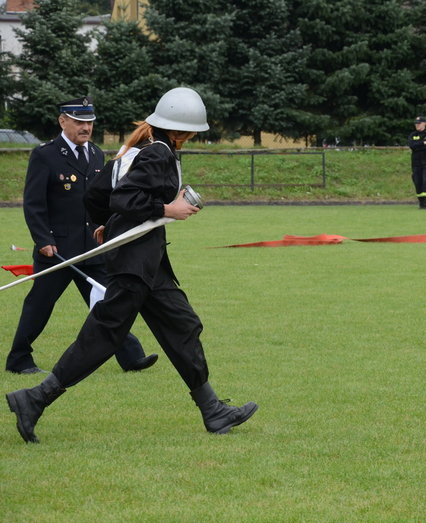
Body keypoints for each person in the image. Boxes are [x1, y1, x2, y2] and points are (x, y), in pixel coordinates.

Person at [5, 87, 258, 443]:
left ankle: (212, 409)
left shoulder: (137, 151)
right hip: (135, 262)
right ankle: (34, 398)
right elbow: (125, 197)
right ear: (182, 130)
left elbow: (97, 193)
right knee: (104, 334)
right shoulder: (158, 155)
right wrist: (167, 210)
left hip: (148, 261)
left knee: (182, 325)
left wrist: (105, 223)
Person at [5, 96, 157, 375]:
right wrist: (43, 241)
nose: (85, 128)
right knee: (39, 306)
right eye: (79, 122)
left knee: (108, 302)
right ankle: (18, 360)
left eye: (89, 123)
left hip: (92, 248)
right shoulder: (45, 155)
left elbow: (100, 200)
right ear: (63, 121)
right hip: (57, 250)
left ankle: (131, 357)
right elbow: (34, 203)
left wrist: (106, 229)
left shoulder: (96, 154)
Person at [407, 116, 426, 209]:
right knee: (417, 182)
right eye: (416, 123)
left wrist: (418, 145)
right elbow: (412, 146)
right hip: (416, 162)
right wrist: (422, 143)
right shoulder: (412, 134)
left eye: (419, 123)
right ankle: (421, 203)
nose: (417, 125)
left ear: (424, 124)